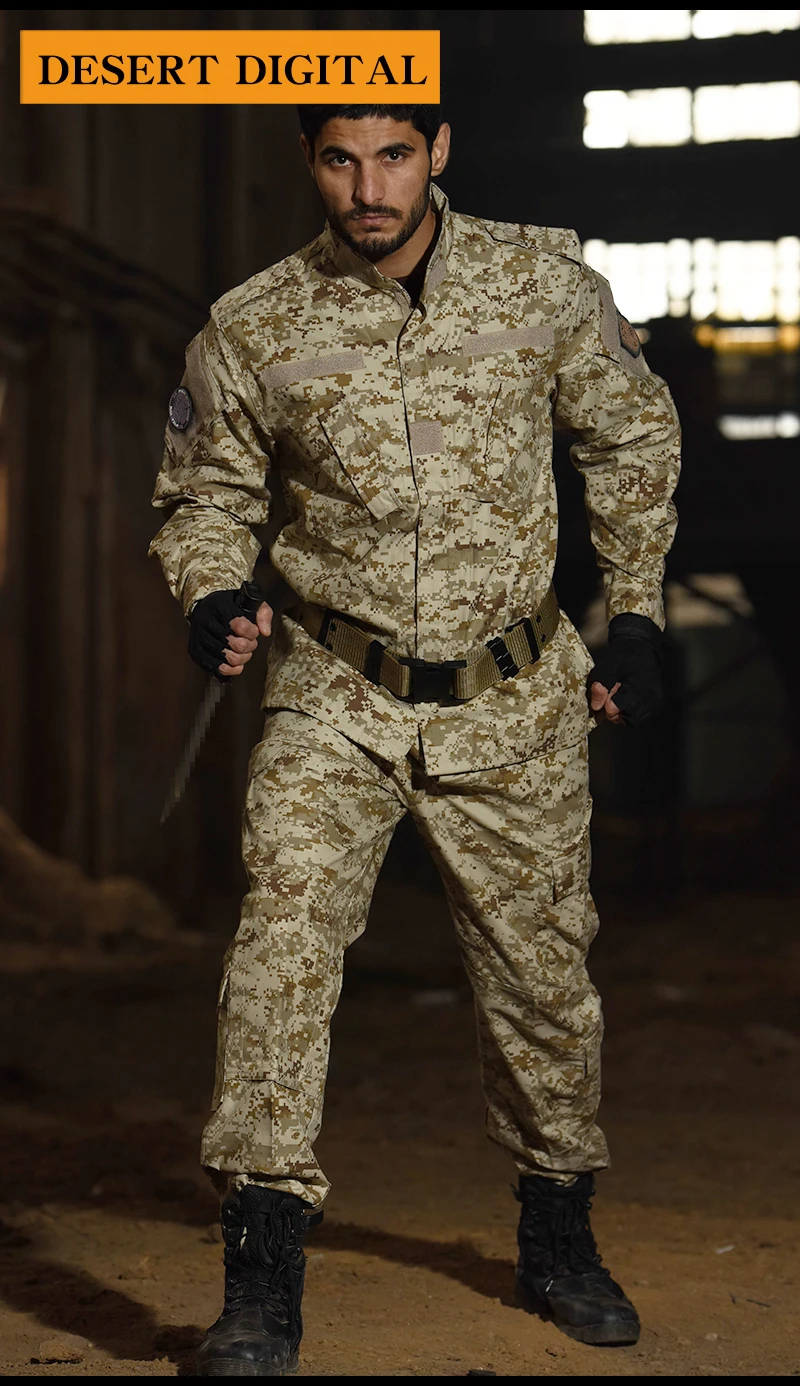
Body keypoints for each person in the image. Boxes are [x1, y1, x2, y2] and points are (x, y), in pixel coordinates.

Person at [149, 102, 680, 1375]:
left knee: (541, 979)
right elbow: (204, 496)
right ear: (309, 163)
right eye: (339, 160)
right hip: (334, 693)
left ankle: (556, 1234)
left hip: (516, 695)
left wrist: (635, 614)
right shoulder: (254, 323)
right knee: (279, 954)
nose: (367, 188)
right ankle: (260, 1276)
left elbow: (629, 437)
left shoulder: (544, 287)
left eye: (392, 156)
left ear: (437, 150)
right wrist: (212, 591)